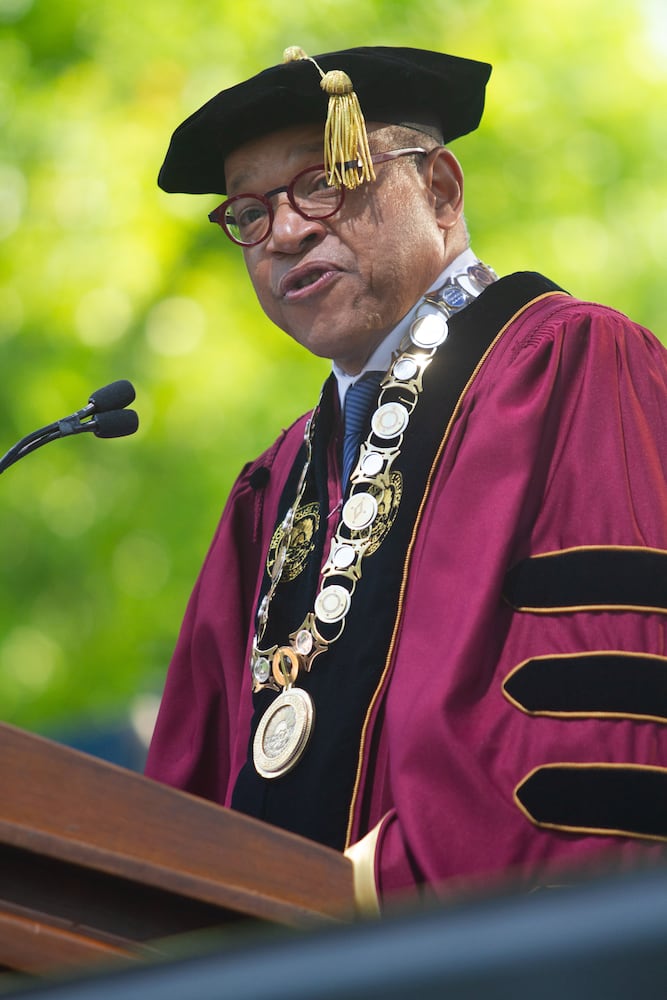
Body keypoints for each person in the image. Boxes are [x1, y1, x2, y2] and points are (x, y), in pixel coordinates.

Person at [145, 45, 667, 913]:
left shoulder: (575, 370)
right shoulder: (273, 487)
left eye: (324, 181)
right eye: (247, 211)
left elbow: (606, 737)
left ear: (441, 191)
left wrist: (371, 893)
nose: (284, 232)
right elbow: (180, 797)